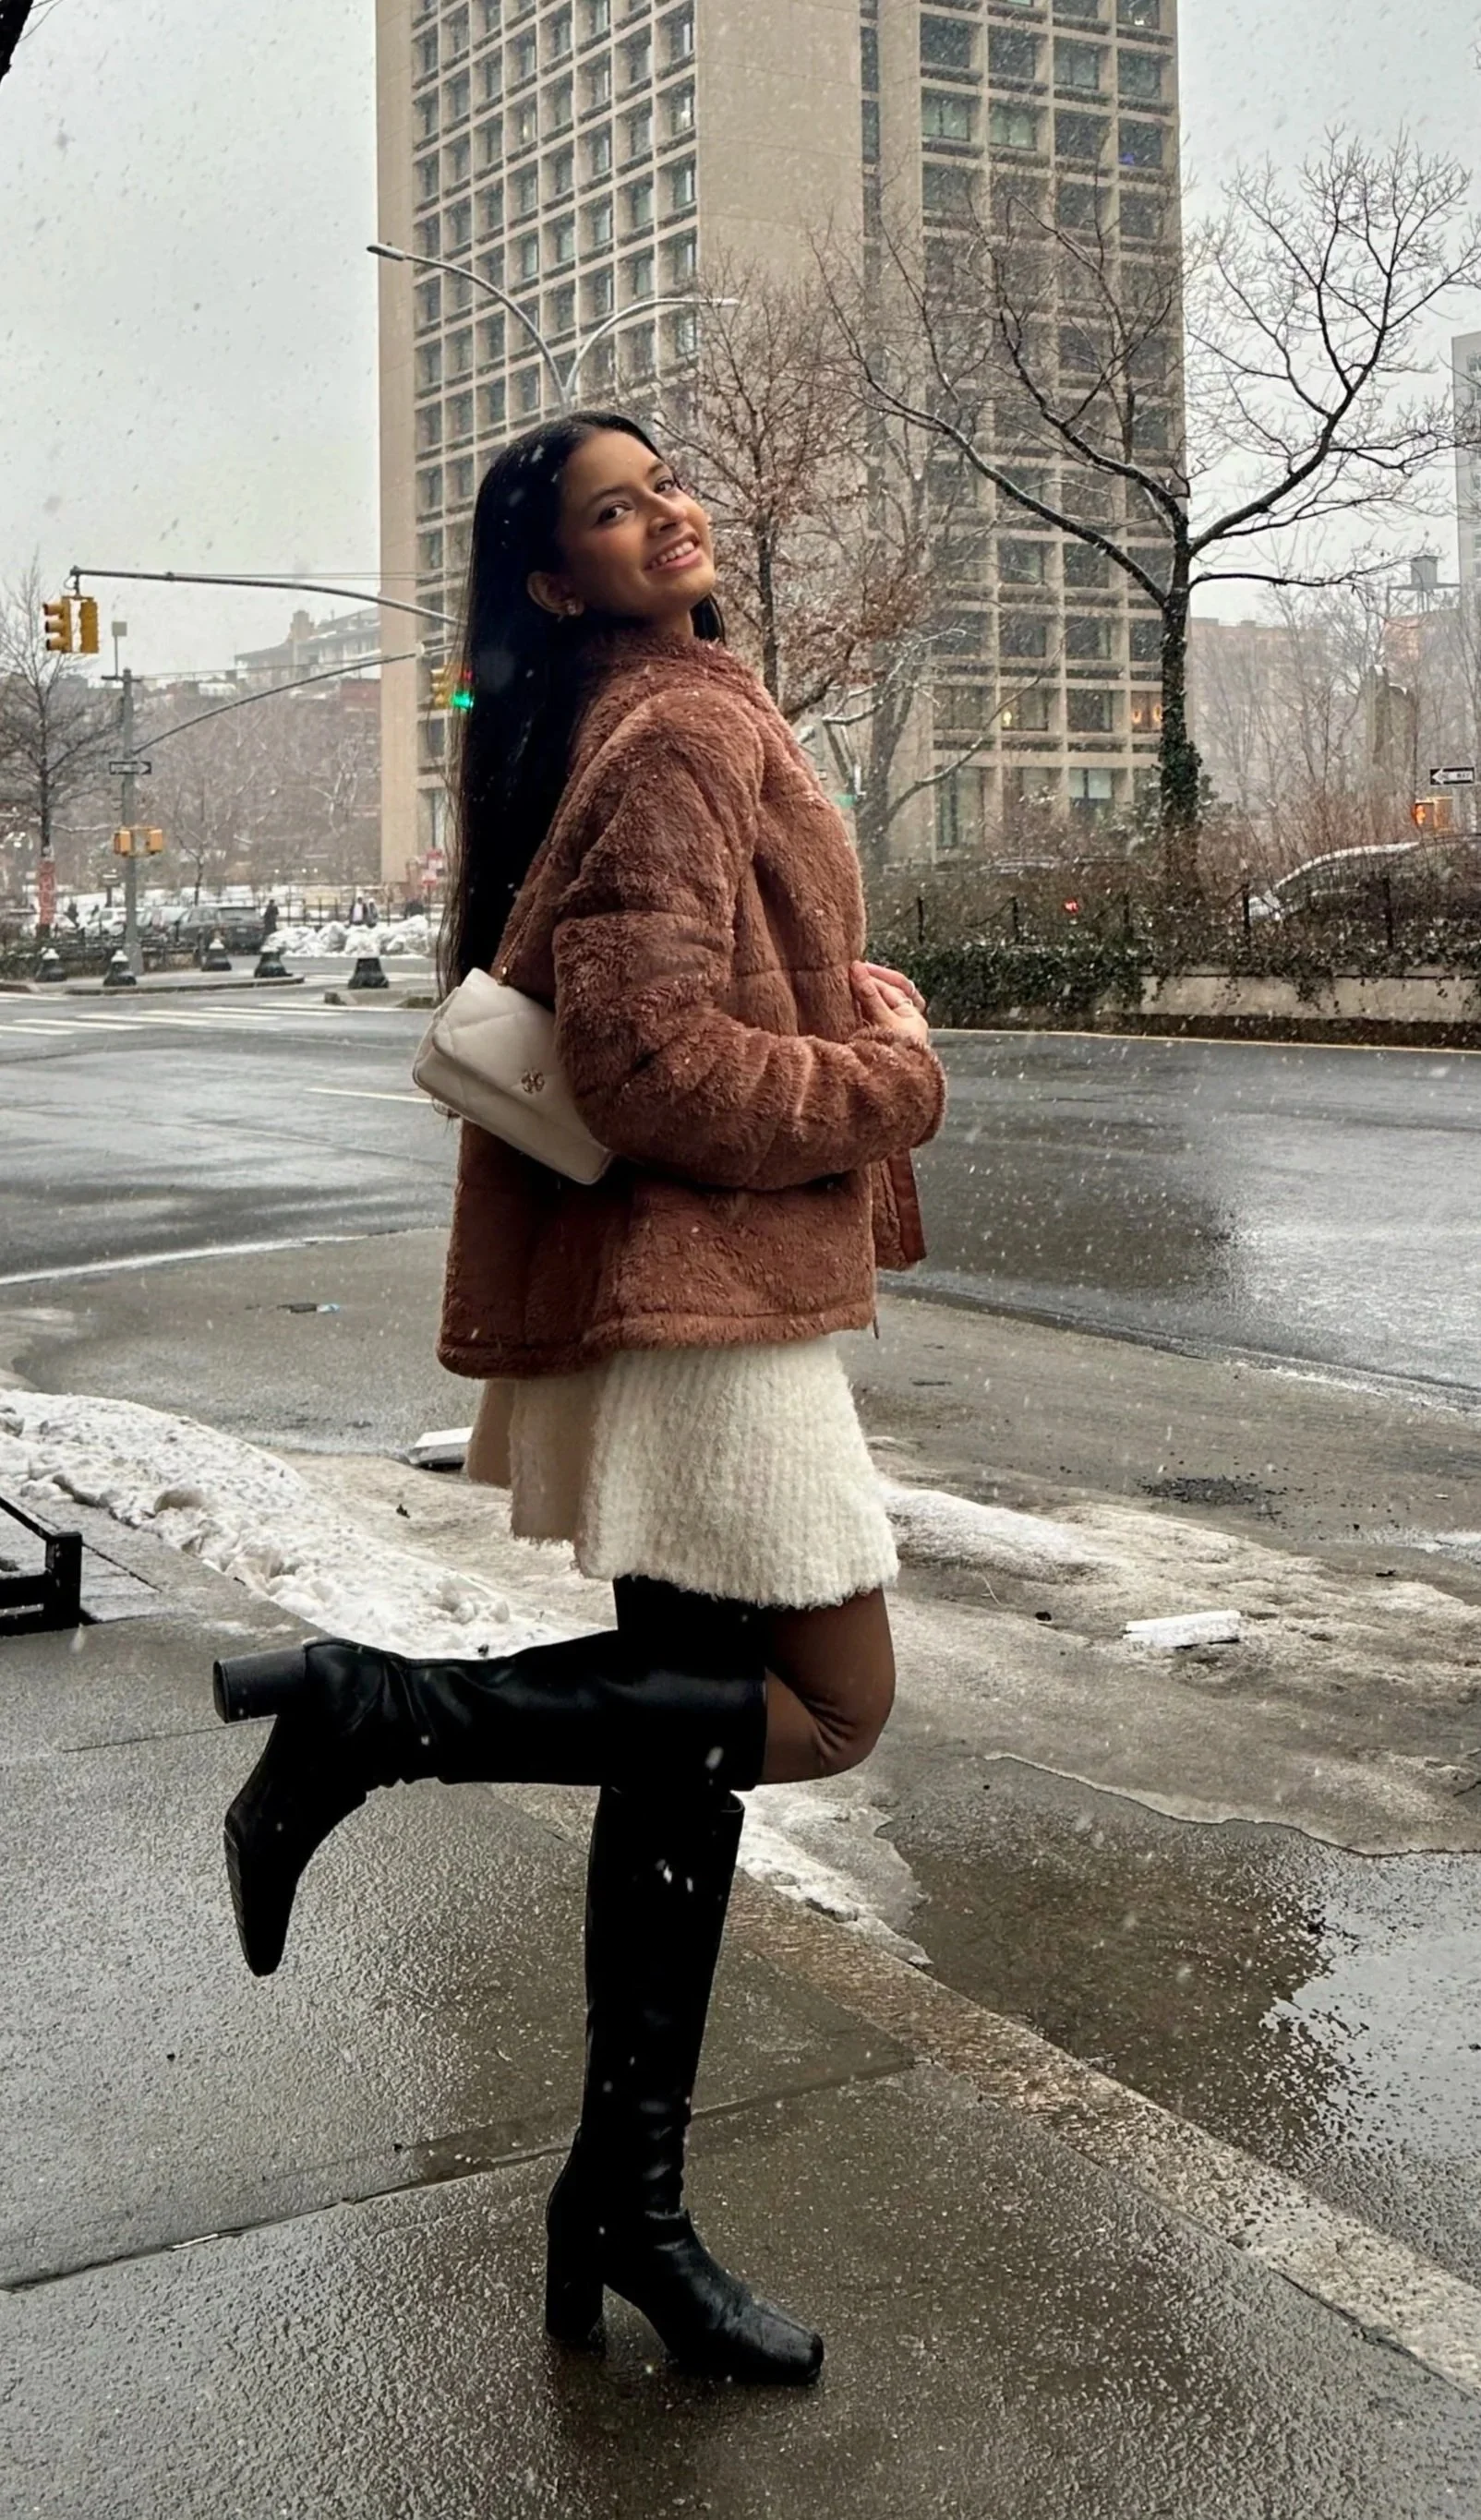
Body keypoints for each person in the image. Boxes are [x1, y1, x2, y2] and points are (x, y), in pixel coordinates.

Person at [212, 412, 945, 2387]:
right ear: (558, 579)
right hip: (707, 1307)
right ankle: (370, 1718)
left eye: (664, 481)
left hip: (686, 1293)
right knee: (830, 1707)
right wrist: (888, 1073)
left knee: (682, 1752)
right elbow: (647, 1067)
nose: (667, 509)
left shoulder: (654, 711)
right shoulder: (683, 735)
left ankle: (620, 2210)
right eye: (615, 510)